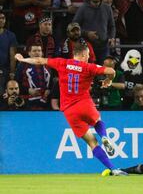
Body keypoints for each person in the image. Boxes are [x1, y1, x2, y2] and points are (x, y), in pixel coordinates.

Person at [14, 44, 127, 176]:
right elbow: (111, 71)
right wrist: (108, 80)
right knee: (97, 122)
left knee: (92, 143)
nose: (89, 57)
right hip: (84, 103)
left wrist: (23, 60)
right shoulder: (88, 67)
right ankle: (105, 137)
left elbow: (39, 60)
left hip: (69, 110)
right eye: (88, 55)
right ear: (84, 55)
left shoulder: (62, 63)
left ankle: (113, 168)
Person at [73, 0, 116, 65]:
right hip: (87, 47)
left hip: (104, 47)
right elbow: (74, 27)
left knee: (104, 72)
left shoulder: (107, 8)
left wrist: (111, 37)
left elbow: (112, 26)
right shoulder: (83, 9)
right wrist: (87, 33)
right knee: (89, 73)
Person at [15, 44, 52, 110]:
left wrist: (49, 90)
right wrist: (28, 90)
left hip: (46, 99)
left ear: (42, 53)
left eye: (39, 51)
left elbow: (52, 83)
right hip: (28, 99)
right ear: (29, 53)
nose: (37, 52)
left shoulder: (48, 65)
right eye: (34, 51)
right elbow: (16, 83)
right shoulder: (22, 65)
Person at [0, 10, 18, 95]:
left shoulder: (11, 35)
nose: (1, 20)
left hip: (5, 69)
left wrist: (12, 72)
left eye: (3, 18)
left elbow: (12, 56)